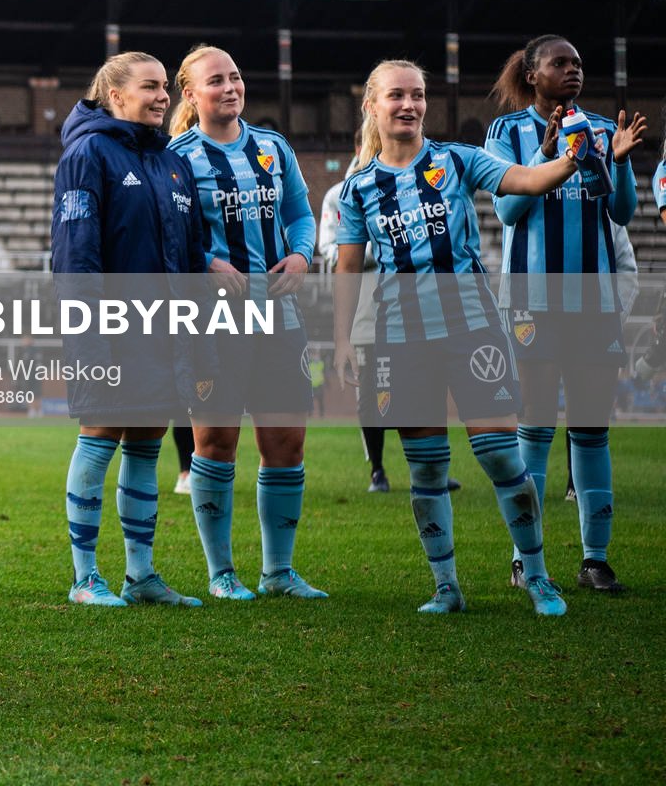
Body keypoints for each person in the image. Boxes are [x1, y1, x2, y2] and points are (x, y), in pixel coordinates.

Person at [332, 58, 585, 616]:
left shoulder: (457, 160)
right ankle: (446, 587)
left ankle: (537, 576)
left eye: (417, 95)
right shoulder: (356, 189)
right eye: (397, 95)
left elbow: (524, 180)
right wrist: (347, 341)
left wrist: (569, 160)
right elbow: (347, 270)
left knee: (499, 456)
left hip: (473, 329)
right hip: (401, 339)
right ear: (373, 105)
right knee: (425, 467)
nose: (409, 105)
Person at [483, 35, 646, 594]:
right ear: (533, 75)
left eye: (579, 61)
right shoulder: (506, 133)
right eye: (560, 62)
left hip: (594, 301)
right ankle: (525, 558)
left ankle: (594, 560)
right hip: (533, 300)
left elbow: (622, 212)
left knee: (592, 427)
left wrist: (620, 165)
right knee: (535, 424)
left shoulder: (602, 129)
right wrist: (545, 156)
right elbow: (507, 210)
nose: (573, 69)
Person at [168, 46, 326, 601]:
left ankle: (279, 572)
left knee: (286, 442)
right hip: (212, 322)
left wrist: (303, 254)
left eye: (236, 76)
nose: (231, 87)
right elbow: (168, 239)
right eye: (216, 80)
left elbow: (300, 215)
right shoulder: (178, 157)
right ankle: (221, 573)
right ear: (191, 94)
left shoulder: (272, 148)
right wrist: (205, 261)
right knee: (215, 441)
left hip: (278, 318)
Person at [55, 52, 207, 608]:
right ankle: (84, 577)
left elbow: (191, 257)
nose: (163, 96)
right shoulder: (89, 152)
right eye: (150, 87)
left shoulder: (172, 161)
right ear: (116, 96)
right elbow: (77, 253)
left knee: (147, 441)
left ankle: (141, 575)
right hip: (110, 330)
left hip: (166, 332)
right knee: (100, 435)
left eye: (166, 86)